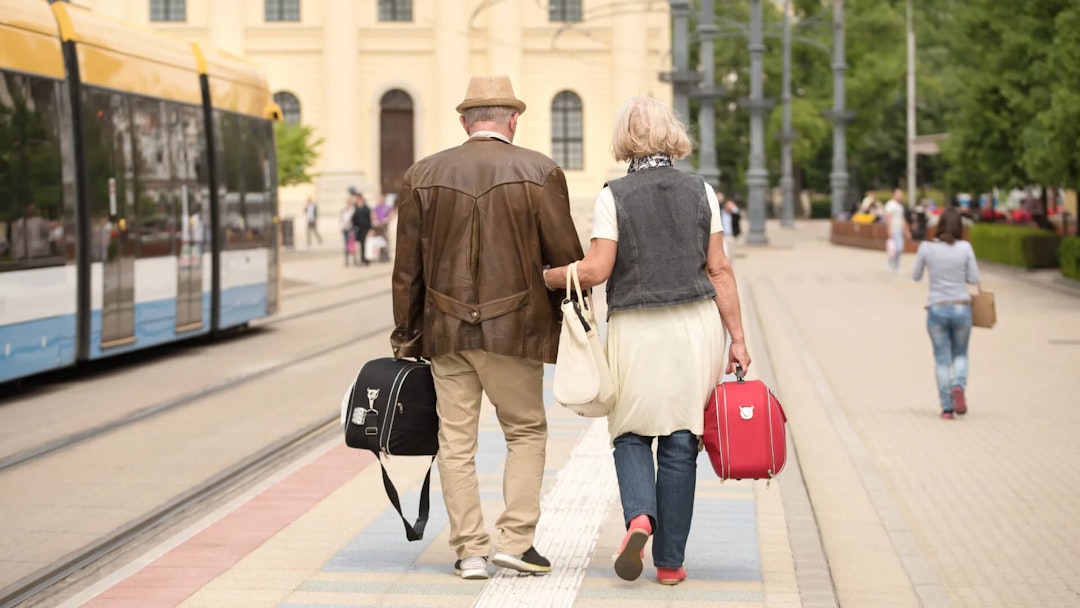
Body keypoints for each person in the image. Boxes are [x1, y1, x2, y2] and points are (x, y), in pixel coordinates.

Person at [543, 96, 751, 586]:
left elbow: (596, 271)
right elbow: (718, 269)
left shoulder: (614, 194)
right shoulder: (702, 190)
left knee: (630, 431)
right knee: (682, 439)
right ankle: (672, 563)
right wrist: (738, 338)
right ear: (672, 135)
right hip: (695, 326)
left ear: (625, 139)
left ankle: (639, 516)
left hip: (637, 327)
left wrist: (549, 276)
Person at [390, 75, 584, 580]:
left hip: (445, 332)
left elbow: (406, 270)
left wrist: (407, 338)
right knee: (524, 431)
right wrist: (566, 321)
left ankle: (470, 551)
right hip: (514, 331)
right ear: (513, 120)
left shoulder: (421, 174)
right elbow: (565, 259)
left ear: (464, 122)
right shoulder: (540, 170)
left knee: (456, 442)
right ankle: (516, 542)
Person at [912, 206, 980, 419]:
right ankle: (958, 385)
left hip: (936, 308)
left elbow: (915, 276)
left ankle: (947, 408)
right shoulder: (965, 248)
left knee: (942, 360)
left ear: (939, 226)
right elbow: (974, 278)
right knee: (960, 353)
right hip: (961, 306)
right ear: (959, 227)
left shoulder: (926, 247)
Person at [883, 188, 910, 273]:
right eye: (899, 194)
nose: (901, 196)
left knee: (898, 248)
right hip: (894, 229)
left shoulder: (900, 206)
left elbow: (902, 219)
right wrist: (889, 229)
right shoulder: (890, 205)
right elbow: (888, 217)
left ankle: (893, 264)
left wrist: (906, 230)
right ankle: (894, 265)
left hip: (899, 229)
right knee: (897, 248)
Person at [351, 191, 373, 266]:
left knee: (364, 244)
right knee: (359, 244)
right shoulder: (355, 207)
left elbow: (369, 218)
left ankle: (364, 259)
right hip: (358, 228)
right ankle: (361, 259)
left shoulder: (366, 207)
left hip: (365, 228)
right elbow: (353, 218)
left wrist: (371, 228)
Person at [340, 190, 356, 266]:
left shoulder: (354, 210)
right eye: (347, 202)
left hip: (352, 229)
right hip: (345, 229)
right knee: (346, 245)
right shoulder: (344, 210)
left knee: (352, 244)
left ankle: (354, 259)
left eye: (349, 202)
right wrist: (342, 227)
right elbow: (342, 220)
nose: (348, 204)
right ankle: (346, 260)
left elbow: (354, 220)